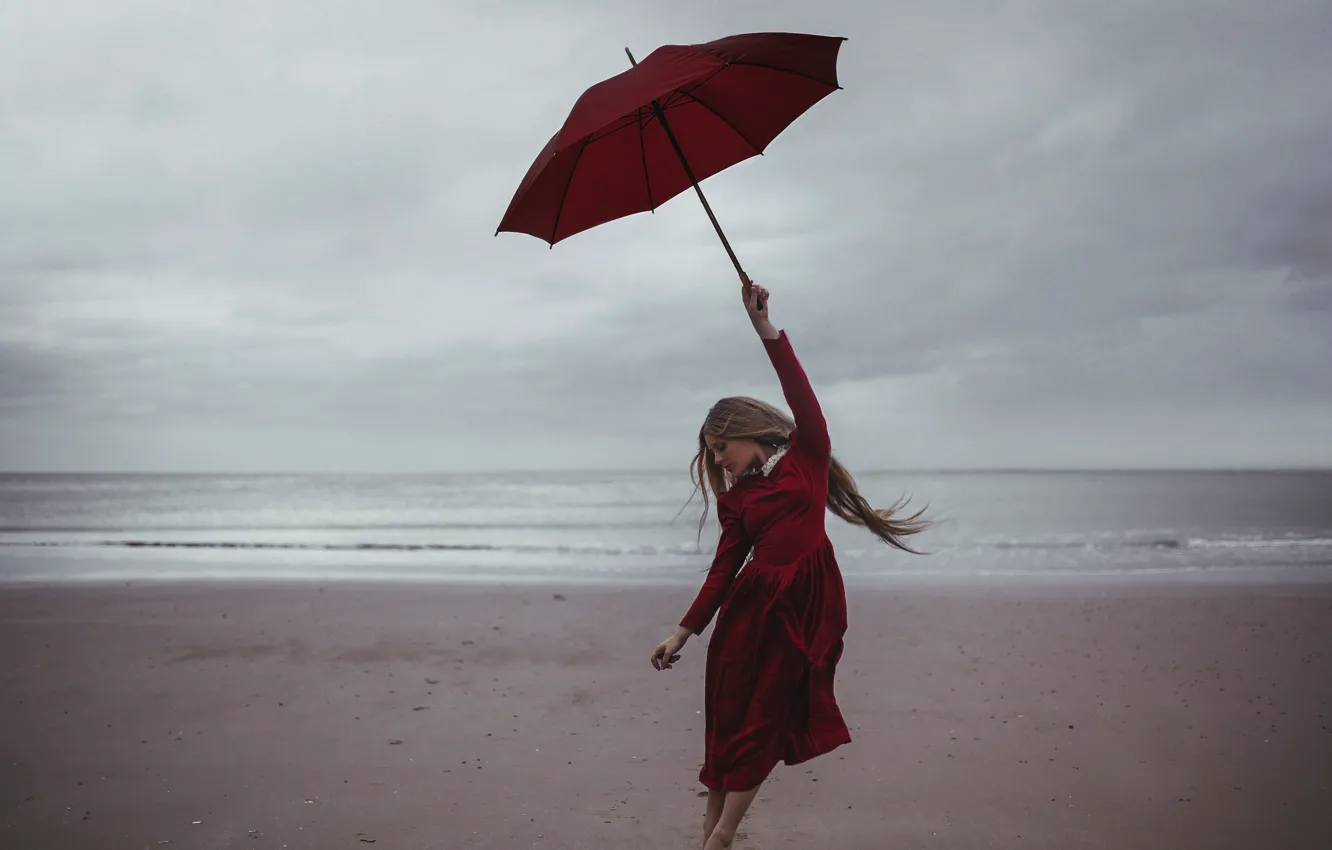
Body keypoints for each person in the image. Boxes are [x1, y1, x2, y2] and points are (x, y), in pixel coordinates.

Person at [651, 277, 929, 850]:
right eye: (710, 453)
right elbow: (723, 571)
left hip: (802, 605)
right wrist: (683, 632)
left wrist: (763, 327)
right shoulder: (738, 500)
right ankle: (709, 830)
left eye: (720, 448)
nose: (717, 461)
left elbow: (798, 391)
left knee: (766, 717)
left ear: (746, 434)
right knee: (727, 715)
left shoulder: (808, 454)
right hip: (748, 611)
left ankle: (723, 834)